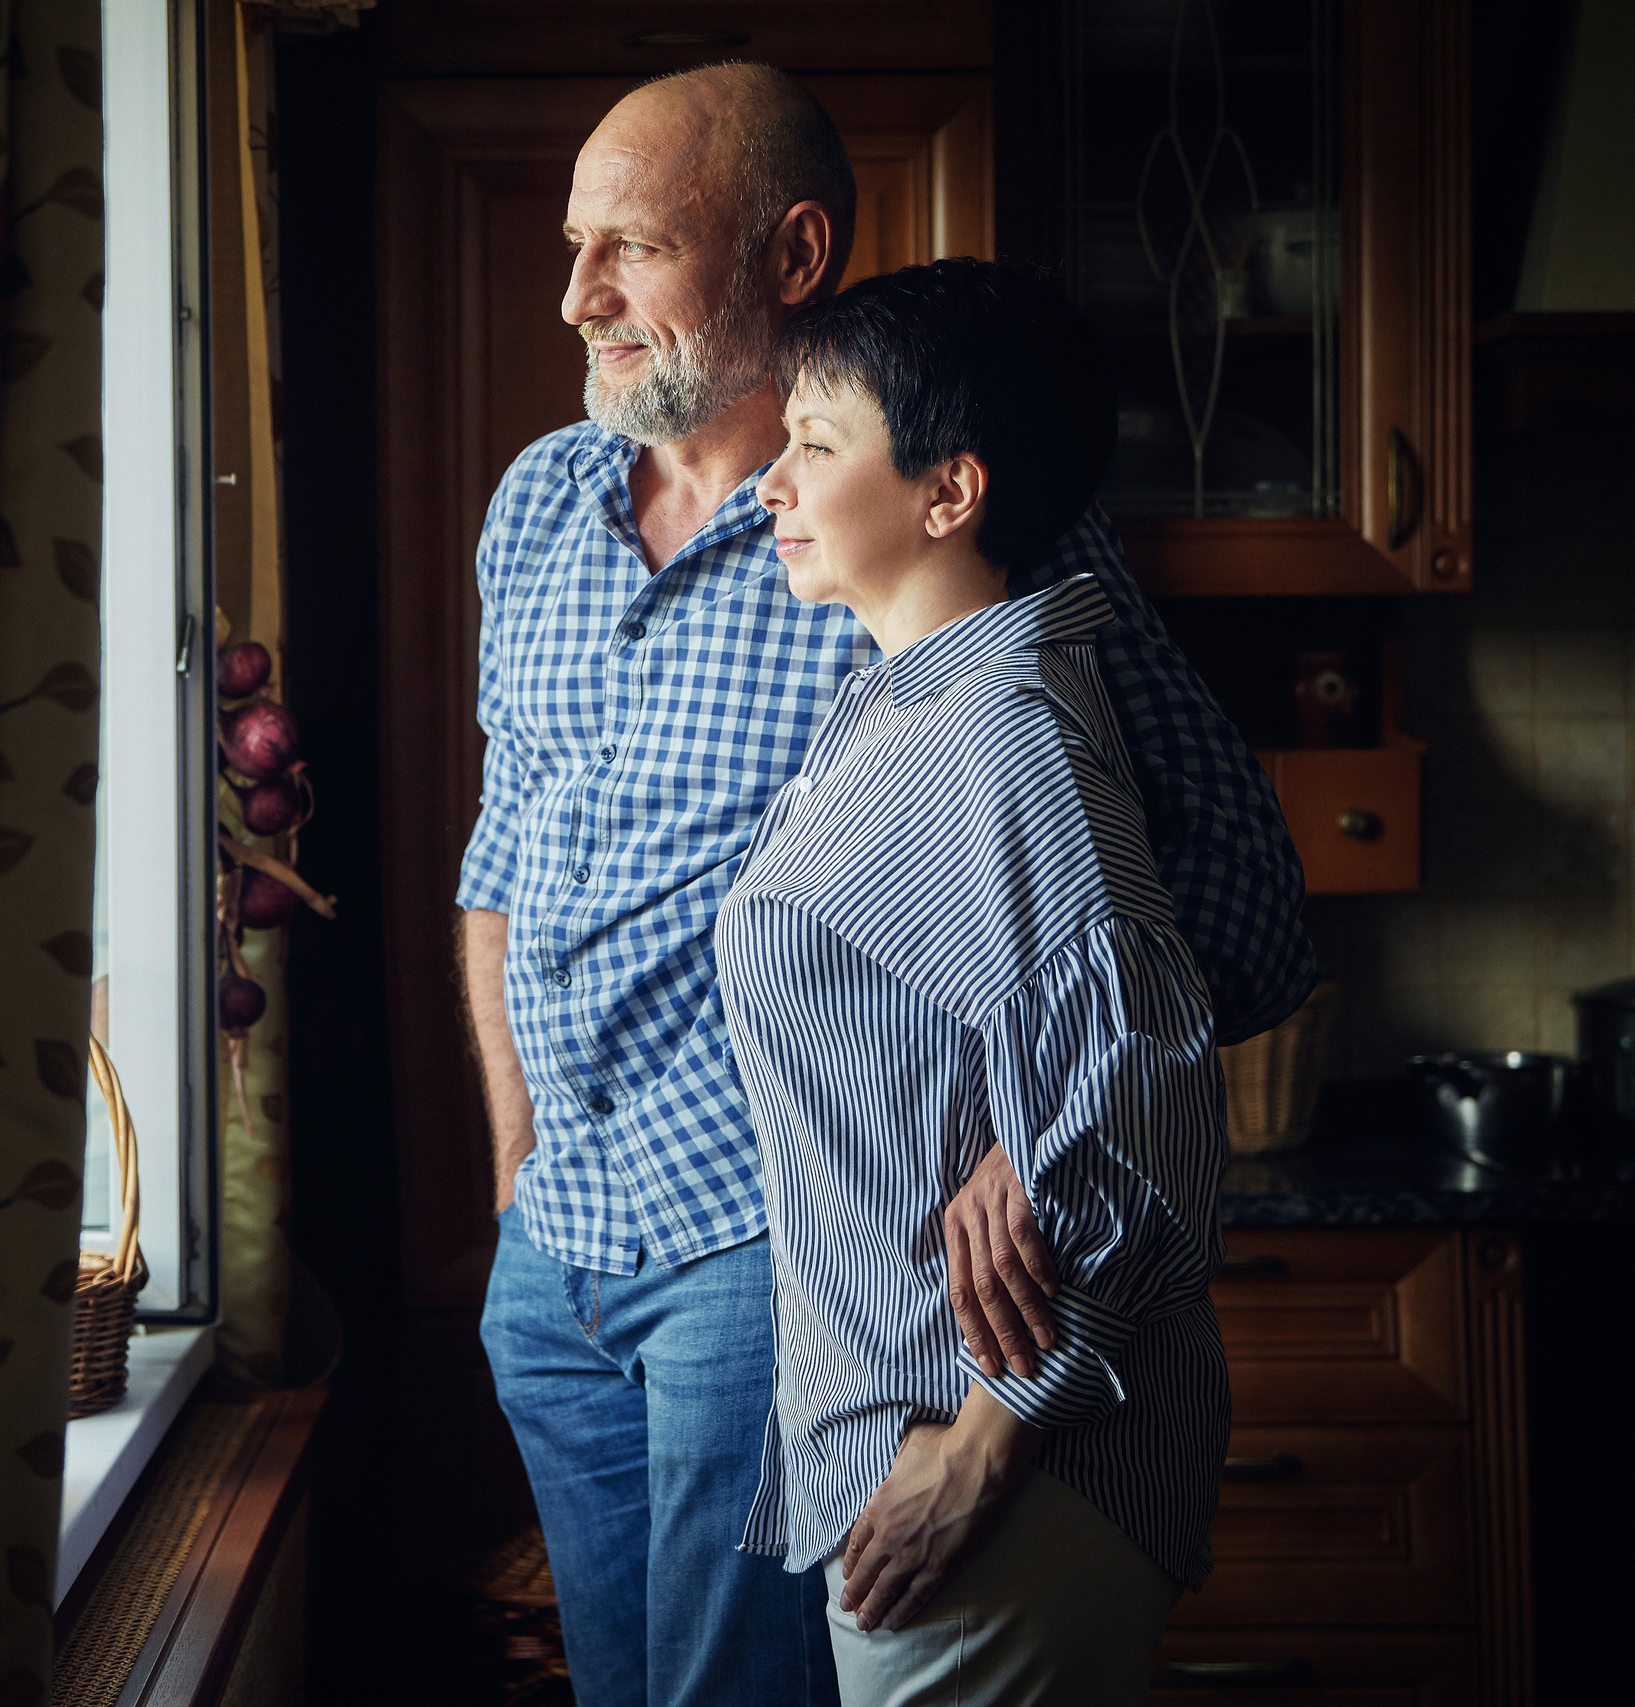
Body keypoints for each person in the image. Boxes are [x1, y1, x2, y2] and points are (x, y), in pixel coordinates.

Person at [459, 62, 1309, 1707]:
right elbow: (506, 851)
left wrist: (1037, 1133)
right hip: (553, 1267)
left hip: (766, 1265)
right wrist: (515, 1164)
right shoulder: (534, 507)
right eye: (576, 247)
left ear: (790, 255)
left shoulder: (930, 525)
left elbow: (1243, 900)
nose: (577, 298)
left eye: (628, 248)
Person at [715, 258, 1227, 1705]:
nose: (775, 483)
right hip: (928, 1443)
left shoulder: (998, 732)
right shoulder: (906, 706)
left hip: (996, 1476)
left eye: (819, 445)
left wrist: (988, 1439)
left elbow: (1146, 1099)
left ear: (949, 494)